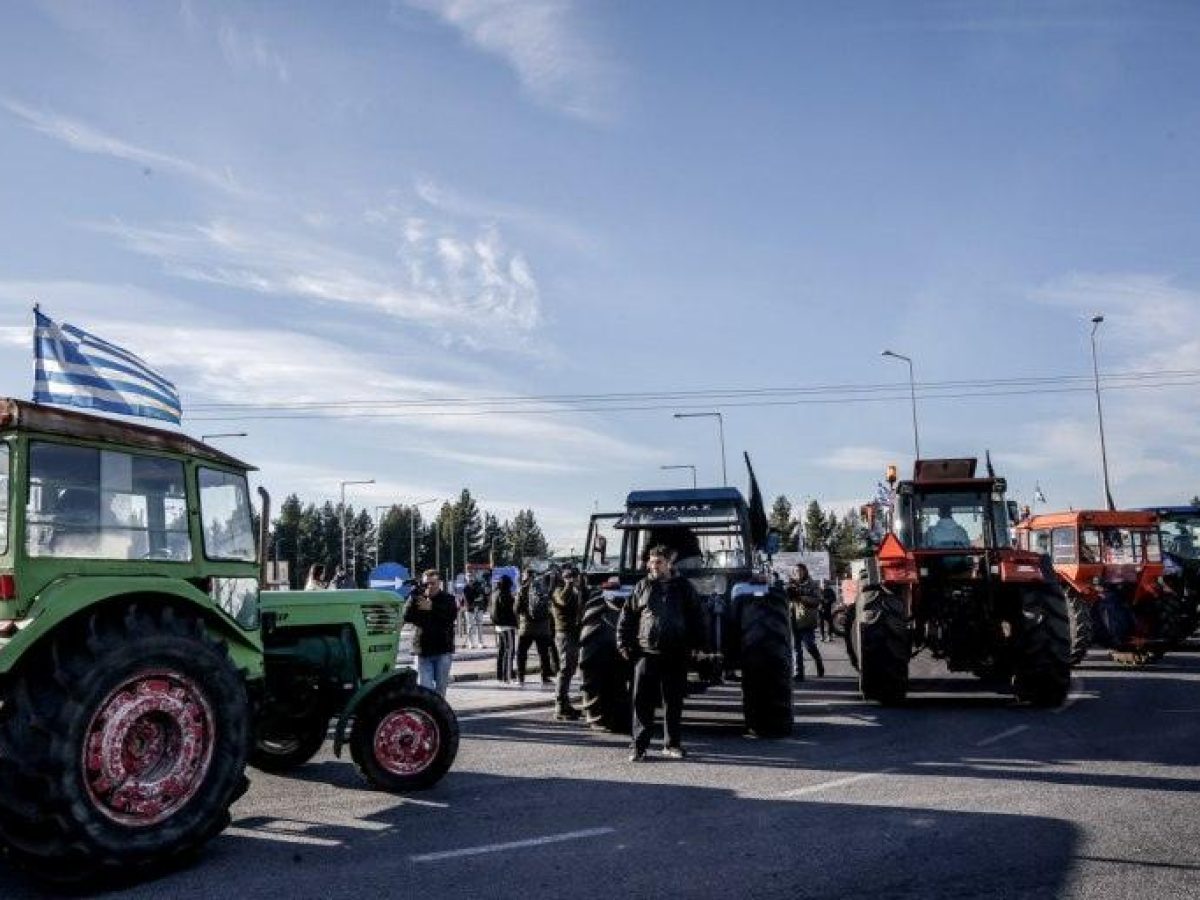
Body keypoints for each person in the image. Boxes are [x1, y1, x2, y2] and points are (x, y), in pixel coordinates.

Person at [616, 545, 706, 762]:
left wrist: (697, 645)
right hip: (647, 653)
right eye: (651, 562)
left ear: (669, 564)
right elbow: (627, 616)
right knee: (641, 702)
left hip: (675, 653)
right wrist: (623, 643)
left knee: (673, 702)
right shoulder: (642, 586)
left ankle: (672, 745)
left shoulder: (683, 587)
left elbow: (696, 617)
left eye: (658, 562)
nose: (653, 566)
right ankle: (639, 747)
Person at [402, 569, 458, 696]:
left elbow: (450, 616)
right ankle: (426, 715)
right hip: (423, 651)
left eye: (433, 583)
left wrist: (432, 607)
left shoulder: (448, 599)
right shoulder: (418, 598)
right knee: (424, 690)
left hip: (442, 650)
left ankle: (437, 715)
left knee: (440, 691)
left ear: (439, 583)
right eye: (427, 583)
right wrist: (412, 597)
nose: (430, 586)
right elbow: (406, 616)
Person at [550, 565, 585, 720]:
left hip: (572, 633)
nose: (573, 580)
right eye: (570, 577)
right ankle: (560, 706)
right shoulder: (558, 591)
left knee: (569, 670)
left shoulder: (575, 591)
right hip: (564, 634)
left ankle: (565, 705)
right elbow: (563, 601)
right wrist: (569, 584)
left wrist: (581, 585)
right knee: (565, 670)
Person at [516, 567, 555, 686]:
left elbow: (517, 608)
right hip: (543, 627)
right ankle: (545, 677)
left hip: (526, 627)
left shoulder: (522, 590)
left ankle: (520, 677)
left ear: (526, 576)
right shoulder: (544, 588)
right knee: (543, 653)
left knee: (522, 652)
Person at [787, 563, 824, 681]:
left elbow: (817, 600)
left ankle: (818, 660)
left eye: (800, 571)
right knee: (795, 647)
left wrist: (801, 597)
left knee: (809, 645)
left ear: (805, 571)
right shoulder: (790, 585)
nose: (798, 573)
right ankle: (799, 673)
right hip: (792, 619)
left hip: (806, 620)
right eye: (796, 571)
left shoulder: (812, 584)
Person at [489, 573, 519, 683]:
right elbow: (512, 609)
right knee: (509, 651)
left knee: (502, 651)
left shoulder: (494, 593)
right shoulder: (505, 594)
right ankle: (508, 676)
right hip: (507, 625)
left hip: (498, 626)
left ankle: (500, 676)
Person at [463, 576, 487, 649]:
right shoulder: (466, 588)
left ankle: (480, 642)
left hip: (479, 608)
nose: (471, 581)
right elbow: (468, 598)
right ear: (466, 580)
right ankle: (471, 643)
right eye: (469, 579)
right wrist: (476, 599)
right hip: (470, 609)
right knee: (470, 626)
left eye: (472, 579)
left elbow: (483, 596)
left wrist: (483, 606)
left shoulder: (478, 586)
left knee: (480, 625)